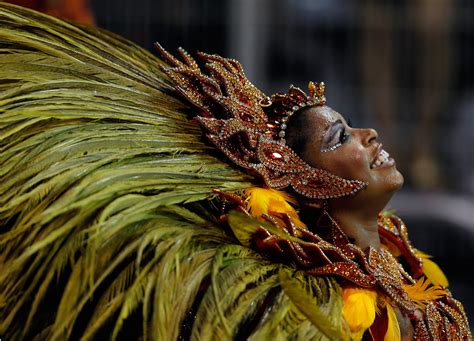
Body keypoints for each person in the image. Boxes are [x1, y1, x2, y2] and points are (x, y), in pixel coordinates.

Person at [0, 3, 470, 340]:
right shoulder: (297, 303)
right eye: (339, 137)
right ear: (302, 179)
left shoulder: (401, 257)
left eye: (349, 127)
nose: (368, 133)